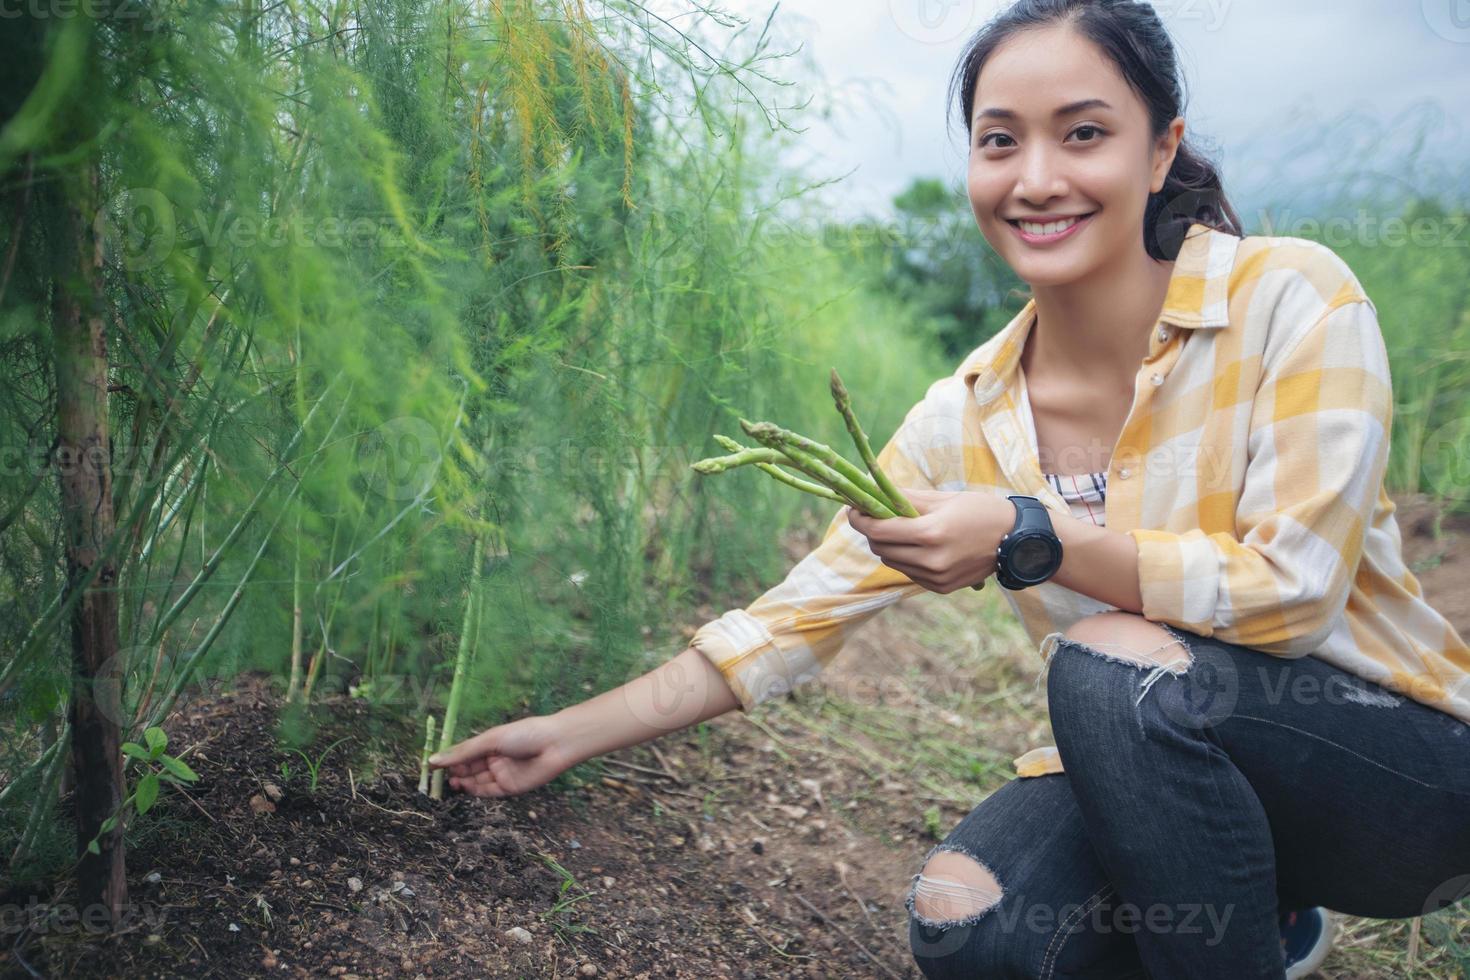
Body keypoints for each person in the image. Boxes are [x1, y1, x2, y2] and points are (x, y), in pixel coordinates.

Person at [427, 1, 1470, 977]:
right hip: (1165, 762)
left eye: (1084, 134)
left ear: (1161, 151)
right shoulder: (964, 416)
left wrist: (1037, 532)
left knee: (1109, 667)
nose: (1036, 178)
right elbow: (793, 620)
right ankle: (1259, 917)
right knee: (970, 924)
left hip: (1396, 774)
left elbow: (1294, 592)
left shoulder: (1290, 296)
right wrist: (565, 732)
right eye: (1000, 139)